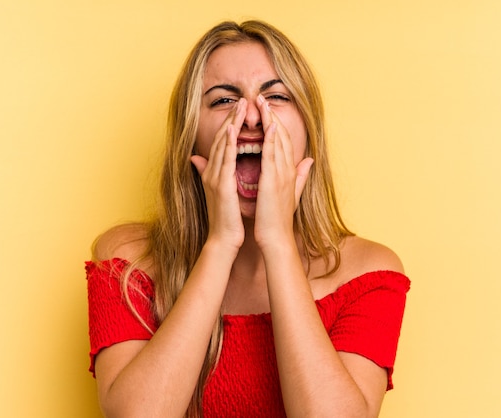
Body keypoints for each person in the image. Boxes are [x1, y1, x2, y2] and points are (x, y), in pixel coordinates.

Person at [86, 20, 410, 418]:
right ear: (191, 135)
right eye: (224, 100)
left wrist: (278, 241)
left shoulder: (368, 273)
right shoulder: (127, 262)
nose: (253, 118)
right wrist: (220, 244)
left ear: (309, 131)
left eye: (275, 96)